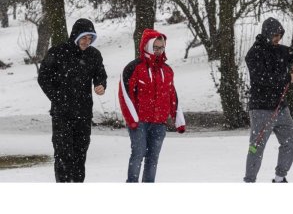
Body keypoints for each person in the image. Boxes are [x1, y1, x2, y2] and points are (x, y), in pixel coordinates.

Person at [243, 17, 293, 183]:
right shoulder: (254, 54)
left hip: (281, 108)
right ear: (267, 34)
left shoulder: (281, 50)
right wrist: (287, 79)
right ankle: (249, 181)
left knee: (291, 142)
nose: (278, 39)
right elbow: (262, 78)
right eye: (276, 35)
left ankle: (280, 178)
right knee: (256, 147)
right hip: (261, 109)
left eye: (280, 36)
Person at [38, 18, 107, 182]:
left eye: (90, 38)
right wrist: (57, 98)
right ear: (76, 36)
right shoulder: (58, 52)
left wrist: (100, 84)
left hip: (83, 114)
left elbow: (100, 74)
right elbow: (43, 77)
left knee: (80, 154)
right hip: (62, 115)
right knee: (63, 155)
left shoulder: (94, 55)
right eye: (84, 37)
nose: (87, 41)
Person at [119, 28, 185, 183]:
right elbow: (124, 94)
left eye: (161, 48)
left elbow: (172, 95)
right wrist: (132, 119)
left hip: (159, 123)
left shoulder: (167, 70)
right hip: (139, 121)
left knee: (153, 158)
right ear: (147, 46)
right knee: (138, 153)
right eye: (155, 47)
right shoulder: (134, 67)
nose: (158, 51)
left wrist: (179, 120)